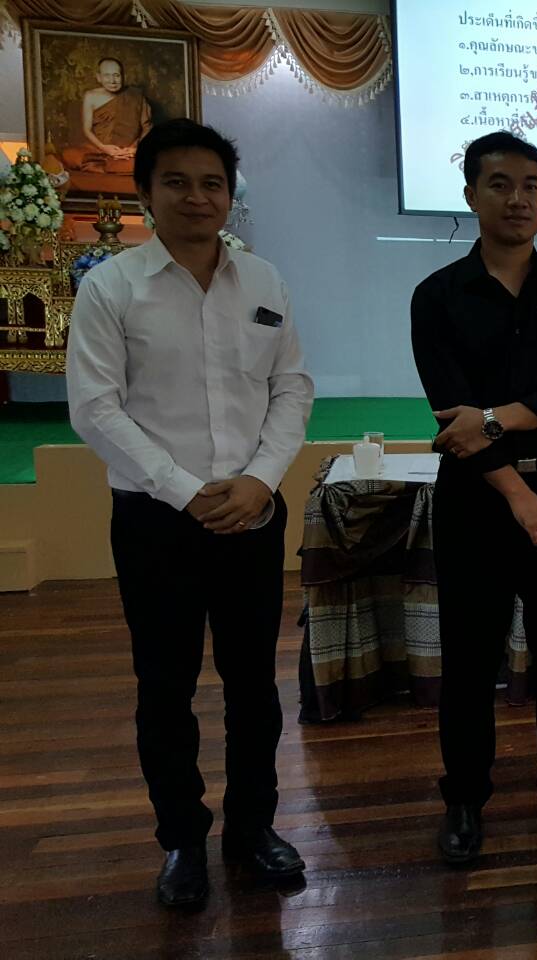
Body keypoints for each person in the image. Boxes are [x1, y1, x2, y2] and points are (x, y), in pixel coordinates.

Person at [66, 119, 313, 908]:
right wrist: (184, 489)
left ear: (230, 197)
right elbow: (94, 409)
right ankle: (181, 840)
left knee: (254, 687)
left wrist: (261, 480)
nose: (197, 197)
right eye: (177, 182)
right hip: (156, 523)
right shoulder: (111, 287)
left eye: (212, 184)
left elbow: (292, 388)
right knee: (165, 688)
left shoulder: (265, 281)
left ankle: (253, 828)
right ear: (146, 193)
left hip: (252, 514)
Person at [411, 131, 537, 864]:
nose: (517, 199)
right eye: (499, 184)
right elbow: (450, 416)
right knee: (469, 659)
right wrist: (517, 492)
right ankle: (464, 800)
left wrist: (494, 417)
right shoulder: (437, 296)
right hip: (478, 496)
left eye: (530, 185)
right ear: (471, 195)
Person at [61, 57, 153, 173]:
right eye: (107, 76)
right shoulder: (91, 96)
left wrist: (135, 149)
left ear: (123, 76)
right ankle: (112, 163)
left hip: (129, 150)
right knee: (69, 155)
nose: (112, 81)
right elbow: (87, 129)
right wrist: (104, 148)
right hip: (98, 149)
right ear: (99, 77)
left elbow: (147, 127)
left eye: (116, 75)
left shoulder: (136, 96)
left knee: (148, 159)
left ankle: (114, 163)